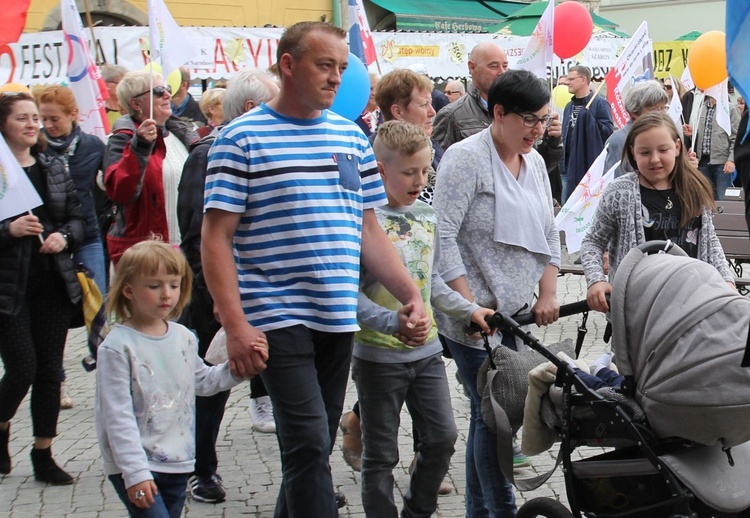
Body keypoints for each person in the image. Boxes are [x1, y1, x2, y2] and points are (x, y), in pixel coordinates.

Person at [200, 21, 426, 517]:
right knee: (305, 444)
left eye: (342, 68)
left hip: (337, 313)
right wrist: (234, 323)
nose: (335, 78)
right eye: (325, 66)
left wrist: (410, 294)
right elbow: (215, 237)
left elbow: (368, 228)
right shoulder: (240, 138)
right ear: (288, 65)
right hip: (274, 315)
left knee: (315, 444)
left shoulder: (350, 137)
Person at [433, 69, 562, 517]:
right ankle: (501, 508)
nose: (537, 130)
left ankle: (479, 511)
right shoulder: (466, 158)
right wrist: (469, 307)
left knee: (488, 417)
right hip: (471, 319)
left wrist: (548, 292)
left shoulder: (536, 164)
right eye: (528, 119)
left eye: (544, 120)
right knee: (496, 418)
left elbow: (549, 231)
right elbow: (443, 237)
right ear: (498, 112)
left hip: (517, 314)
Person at [354, 120, 493, 516]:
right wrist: (388, 322)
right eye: (409, 172)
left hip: (428, 352)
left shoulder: (426, 216)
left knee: (443, 437)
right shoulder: (364, 222)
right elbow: (349, 297)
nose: (420, 180)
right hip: (378, 356)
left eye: (425, 171)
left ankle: (418, 509)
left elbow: (429, 282)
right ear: (380, 170)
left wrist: (471, 309)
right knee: (380, 454)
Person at [95, 240, 265, 518]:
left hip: (178, 463)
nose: (166, 294)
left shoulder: (183, 336)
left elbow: (203, 381)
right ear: (128, 290)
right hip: (134, 470)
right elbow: (116, 416)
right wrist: (134, 473)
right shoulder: (117, 347)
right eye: (154, 286)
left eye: (174, 285)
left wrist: (238, 370)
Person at [177, 68, 279, 504]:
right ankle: (202, 470)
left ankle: (304, 478)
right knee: (213, 386)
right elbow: (197, 235)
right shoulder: (209, 153)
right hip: (218, 299)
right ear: (254, 109)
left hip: (270, 293)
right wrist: (223, 301)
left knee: (287, 389)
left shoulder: (270, 148)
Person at [0, 91, 85, 485]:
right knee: (22, 368)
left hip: (52, 281)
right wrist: (8, 230)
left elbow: (79, 218)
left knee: (51, 371)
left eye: (35, 117)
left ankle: (43, 452)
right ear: (3, 124)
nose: (33, 124)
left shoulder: (52, 165)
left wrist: (63, 238)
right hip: (9, 288)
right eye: (22, 118)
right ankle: (1, 429)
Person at [582, 112, 735, 315]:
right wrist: (596, 280)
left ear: (677, 147)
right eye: (645, 152)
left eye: (663, 150)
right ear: (633, 152)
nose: (655, 159)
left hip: (692, 303)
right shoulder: (619, 192)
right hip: (639, 309)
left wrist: (726, 279)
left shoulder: (695, 187)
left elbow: (709, 239)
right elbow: (593, 241)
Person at [37, 84, 108, 410]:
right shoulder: (37, 149)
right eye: (43, 119)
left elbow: (109, 182)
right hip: (51, 241)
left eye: (54, 119)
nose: (48, 125)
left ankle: (106, 369)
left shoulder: (92, 145)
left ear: (73, 115)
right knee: (56, 312)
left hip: (87, 235)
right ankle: (58, 380)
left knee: (97, 305)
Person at [103, 70, 197, 266]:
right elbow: (120, 191)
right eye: (158, 91)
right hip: (145, 254)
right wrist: (140, 146)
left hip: (186, 250)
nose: (167, 95)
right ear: (135, 104)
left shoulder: (184, 136)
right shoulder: (123, 138)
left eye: (167, 89)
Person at [432, 42, 508, 150]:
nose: (502, 72)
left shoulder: (516, 109)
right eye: (493, 66)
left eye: (505, 66)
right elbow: (439, 160)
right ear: (472, 67)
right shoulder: (451, 115)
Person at [561, 65, 615, 202]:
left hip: (588, 169)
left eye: (571, 79)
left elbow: (608, 132)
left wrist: (589, 120)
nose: (567, 82)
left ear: (583, 80)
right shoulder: (569, 106)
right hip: (568, 168)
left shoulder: (599, 103)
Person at [603, 80, 669, 178]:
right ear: (634, 112)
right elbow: (615, 184)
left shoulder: (667, 135)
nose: (660, 114)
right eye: (654, 109)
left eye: (663, 108)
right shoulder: (619, 141)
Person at [688, 88, 740, 200]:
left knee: (722, 199)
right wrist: (691, 133)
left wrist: (731, 160)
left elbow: (737, 137)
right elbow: (702, 133)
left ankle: (722, 218)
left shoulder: (730, 109)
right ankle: (708, 218)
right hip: (703, 162)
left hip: (722, 162)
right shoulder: (701, 108)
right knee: (705, 199)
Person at [354, 72, 380, 137]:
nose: (374, 93)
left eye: (378, 89)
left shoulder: (387, 112)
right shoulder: (355, 116)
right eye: (370, 89)